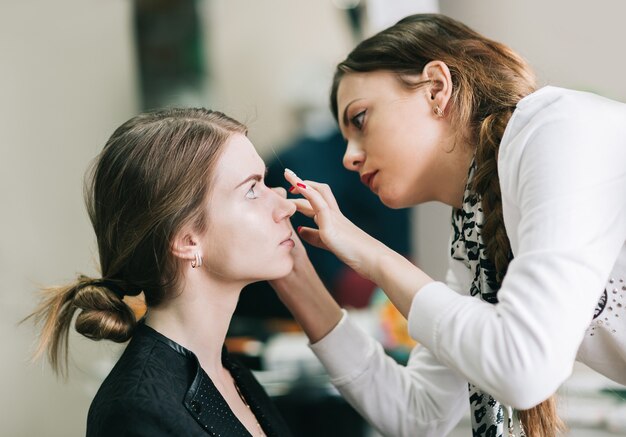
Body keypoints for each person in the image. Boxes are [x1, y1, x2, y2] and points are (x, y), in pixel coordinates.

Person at [269, 13, 626, 437]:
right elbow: (417, 413)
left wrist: (374, 256)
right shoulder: (475, 234)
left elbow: (524, 368)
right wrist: (294, 273)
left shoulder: (555, 129)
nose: (349, 157)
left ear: (437, 88)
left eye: (360, 119)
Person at [28, 108, 295, 436]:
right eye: (252, 190)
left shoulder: (230, 372)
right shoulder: (136, 412)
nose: (286, 206)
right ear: (187, 241)